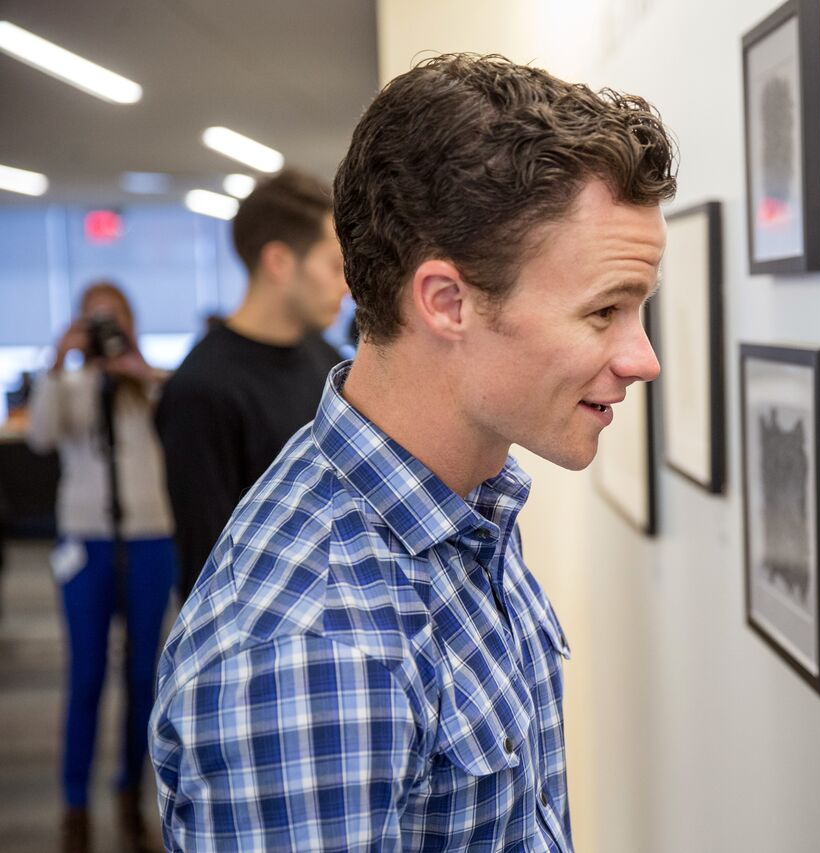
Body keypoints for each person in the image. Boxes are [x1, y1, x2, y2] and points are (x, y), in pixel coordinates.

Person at [149, 53, 676, 851]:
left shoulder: (468, 503)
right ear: (447, 302)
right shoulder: (312, 651)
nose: (644, 359)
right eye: (604, 312)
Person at [26, 282, 173, 853]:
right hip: (85, 543)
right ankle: (75, 807)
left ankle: (130, 798)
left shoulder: (148, 385)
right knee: (86, 676)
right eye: (96, 320)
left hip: (149, 539)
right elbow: (40, 436)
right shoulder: (69, 386)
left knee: (142, 678)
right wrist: (56, 361)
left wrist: (138, 369)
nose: (106, 329)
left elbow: (186, 416)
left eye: (115, 319)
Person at [155, 169, 348, 600]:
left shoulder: (327, 361)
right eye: (335, 266)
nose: (347, 286)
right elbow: (206, 561)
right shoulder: (202, 390)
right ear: (279, 262)